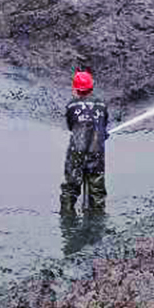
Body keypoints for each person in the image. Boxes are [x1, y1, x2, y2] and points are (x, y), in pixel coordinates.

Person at [61, 70, 110, 212]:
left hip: (77, 150)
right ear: (91, 87)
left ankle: (67, 216)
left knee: (71, 186)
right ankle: (97, 218)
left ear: (76, 89)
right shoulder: (101, 105)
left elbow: (71, 126)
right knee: (97, 188)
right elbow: (103, 124)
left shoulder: (71, 105)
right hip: (96, 151)